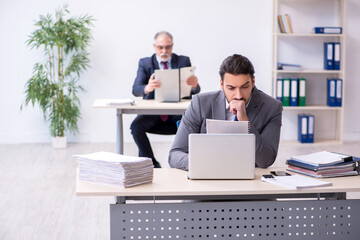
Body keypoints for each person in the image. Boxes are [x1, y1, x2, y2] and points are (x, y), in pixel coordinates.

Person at [169, 54, 283, 170]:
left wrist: (246, 124)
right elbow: (175, 154)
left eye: (244, 87)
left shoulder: (272, 107)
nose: (238, 95)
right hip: (207, 173)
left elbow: (266, 160)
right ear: (222, 85)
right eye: (231, 88)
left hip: (247, 177)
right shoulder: (200, 103)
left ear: (253, 82)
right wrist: (204, 163)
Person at [131, 31, 201, 168]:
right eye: (160, 47)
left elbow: (196, 90)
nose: (164, 51)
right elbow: (135, 89)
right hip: (153, 112)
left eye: (167, 47)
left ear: (172, 46)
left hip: (176, 111)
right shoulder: (145, 63)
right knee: (135, 126)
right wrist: (147, 88)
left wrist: (194, 86)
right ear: (154, 46)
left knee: (188, 126)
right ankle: (151, 163)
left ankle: (182, 162)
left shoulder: (183, 61)